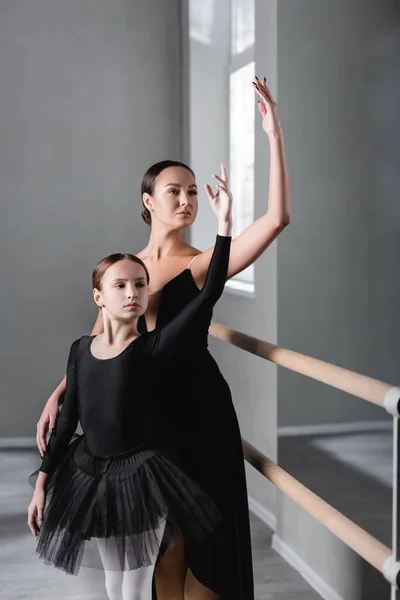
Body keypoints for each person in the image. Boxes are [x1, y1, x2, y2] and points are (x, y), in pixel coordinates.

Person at [36, 77, 291, 600]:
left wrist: (273, 136)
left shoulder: (199, 264)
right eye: (174, 190)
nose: (187, 200)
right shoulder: (127, 269)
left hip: (196, 411)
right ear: (147, 200)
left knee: (204, 539)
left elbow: (276, 220)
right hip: (144, 417)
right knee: (153, 548)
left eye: (194, 191)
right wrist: (59, 395)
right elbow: (98, 342)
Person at [28, 186, 233, 600]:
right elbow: (68, 423)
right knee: (111, 581)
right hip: (91, 475)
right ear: (98, 297)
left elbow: (208, 293)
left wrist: (224, 226)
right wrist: (42, 484)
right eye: (120, 286)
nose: (132, 293)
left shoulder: (152, 350)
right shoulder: (80, 351)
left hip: (143, 478)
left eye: (139, 285)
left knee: (136, 585)